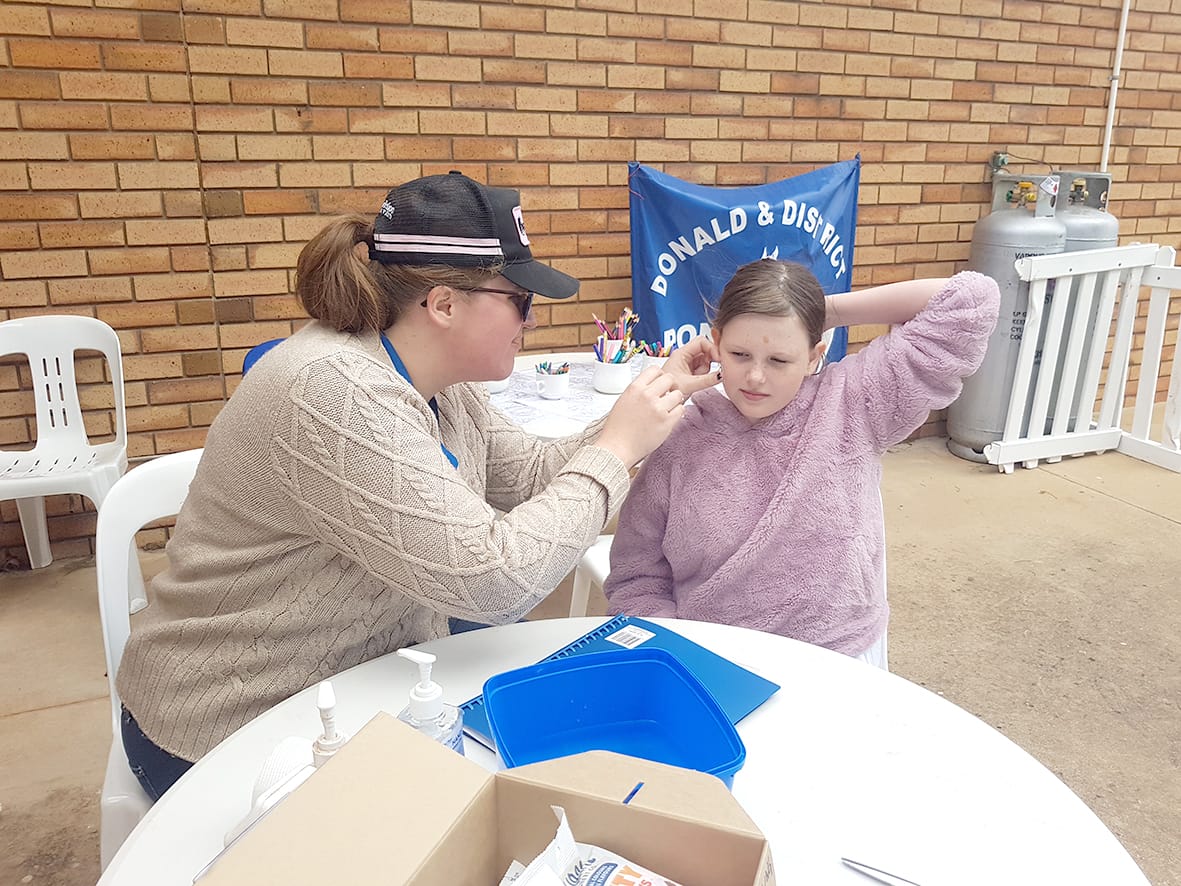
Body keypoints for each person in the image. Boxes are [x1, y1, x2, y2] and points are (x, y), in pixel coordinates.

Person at [115, 171, 720, 798]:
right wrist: (616, 450)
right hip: (231, 727)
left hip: (356, 681)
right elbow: (493, 580)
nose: (531, 321)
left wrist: (653, 402)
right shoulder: (336, 394)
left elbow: (535, 476)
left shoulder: (439, 382)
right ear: (443, 303)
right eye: (521, 300)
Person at [602, 259, 1001, 668]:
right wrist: (681, 653)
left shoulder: (854, 403)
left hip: (837, 655)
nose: (756, 377)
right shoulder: (679, 437)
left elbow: (970, 300)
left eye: (780, 360)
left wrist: (818, 310)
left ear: (815, 355)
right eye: (740, 354)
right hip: (712, 661)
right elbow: (637, 572)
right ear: (716, 342)